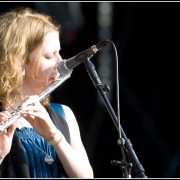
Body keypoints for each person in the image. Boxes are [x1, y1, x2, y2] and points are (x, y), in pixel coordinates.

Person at [0, 7, 94, 178]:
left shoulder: (63, 114)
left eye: (59, 53)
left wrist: (55, 138)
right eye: (49, 56)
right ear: (20, 61)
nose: (60, 63)